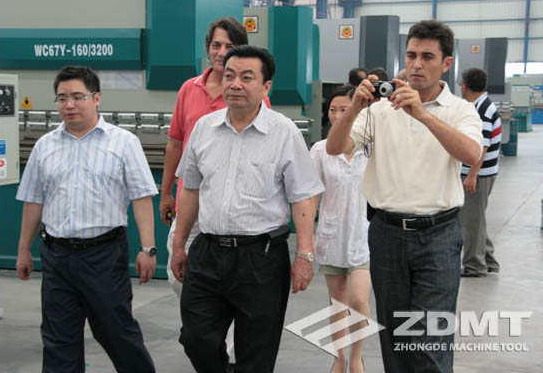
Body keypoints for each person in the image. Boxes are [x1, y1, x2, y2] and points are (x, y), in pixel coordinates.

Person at [327, 20, 484, 373]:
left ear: (446, 63)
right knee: (396, 342)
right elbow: (336, 148)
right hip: (387, 234)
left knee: (430, 344)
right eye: (411, 55)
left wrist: (423, 115)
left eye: (427, 57)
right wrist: (355, 107)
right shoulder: (380, 111)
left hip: (438, 236)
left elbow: (471, 153)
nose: (416, 64)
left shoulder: (460, 110)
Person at [171, 45, 324, 373]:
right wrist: (179, 244)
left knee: (257, 352)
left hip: (261, 258)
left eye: (246, 77)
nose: (235, 84)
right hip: (208, 253)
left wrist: (304, 256)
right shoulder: (204, 129)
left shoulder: (283, 132)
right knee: (196, 338)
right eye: (229, 76)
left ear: (266, 86)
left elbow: (303, 197)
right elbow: (191, 190)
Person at [15, 66, 157, 373]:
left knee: (117, 331)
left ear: (96, 98)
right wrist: (23, 249)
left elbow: (141, 198)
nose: (69, 105)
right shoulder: (44, 146)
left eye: (77, 96)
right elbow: (34, 201)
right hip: (57, 256)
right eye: (62, 98)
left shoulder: (123, 142)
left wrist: (148, 249)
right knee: (58, 339)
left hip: (103, 256)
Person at [160, 17, 269, 360]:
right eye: (216, 45)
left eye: (230, 46)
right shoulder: (189, 89)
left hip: (232, 211)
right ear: (207, 48)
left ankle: (226, 354)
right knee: (180, 275)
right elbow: (175, 143)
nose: (221, 52)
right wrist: (166, 191)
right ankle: (208, 332)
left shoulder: (250, 93)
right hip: (191, 203)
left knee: (233, 287)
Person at [310, 84, 371, 373]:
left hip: (364, 235)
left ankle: (356, 356)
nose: (336, 115)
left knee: (358, 299)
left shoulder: (371, 148)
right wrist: (306, 240)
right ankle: (339, 356)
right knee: (337, 303)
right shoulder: (320, 150)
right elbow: (311, 195)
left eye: (343, 109)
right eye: (332, 110)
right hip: (332, 236)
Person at [459, 67, 501, 277]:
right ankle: (488, 260)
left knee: (471, 222)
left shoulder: (481, 110)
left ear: (465, 86)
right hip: (483, 171)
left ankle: (475, 265)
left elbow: (481, 146)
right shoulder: (482, 105)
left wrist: (472, 174)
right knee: (476, 218)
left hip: (479, 173)